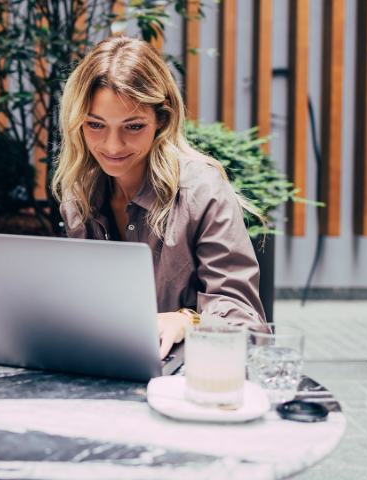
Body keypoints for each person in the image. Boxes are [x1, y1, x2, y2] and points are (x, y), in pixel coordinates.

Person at [52, 35, 267, 359]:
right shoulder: (79, 192)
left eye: (133, 126)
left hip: (190, 375)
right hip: (108, 368)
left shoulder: (201, 191)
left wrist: (187, 320)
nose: (112, 146)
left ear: (162, 121)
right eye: (95, 125)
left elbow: (247, 325)